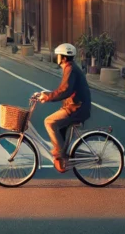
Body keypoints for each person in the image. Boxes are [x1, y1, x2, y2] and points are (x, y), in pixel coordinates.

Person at [37, 43, 91, 173]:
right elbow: (64, 90)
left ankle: (60, 154)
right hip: (74, 106)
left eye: (58, 55)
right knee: (58, 128)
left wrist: (48, 97)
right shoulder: (69, 68)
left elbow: (65, 91)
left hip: (77, 108)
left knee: (49, 122)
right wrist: (47, 94)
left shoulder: (70, 69)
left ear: (63, 57)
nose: (57, 57)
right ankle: (62, 155)